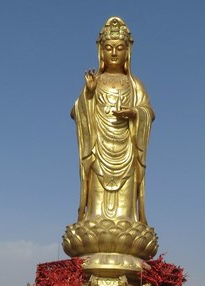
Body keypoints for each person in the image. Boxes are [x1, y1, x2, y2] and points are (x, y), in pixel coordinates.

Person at [71, 16, 155, 225]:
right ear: (101, 51)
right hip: (99, 151)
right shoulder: (94, 82)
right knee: (96, 213)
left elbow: (148, 112)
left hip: (126, 152)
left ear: (128, 52)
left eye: (120, 48)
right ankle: (93, 220)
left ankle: (127, 221)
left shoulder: (134, 85)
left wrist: (136, 113)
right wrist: (89, 95)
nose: (114, 53)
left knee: (125, 215)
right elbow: (76, 112)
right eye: (109, 48)